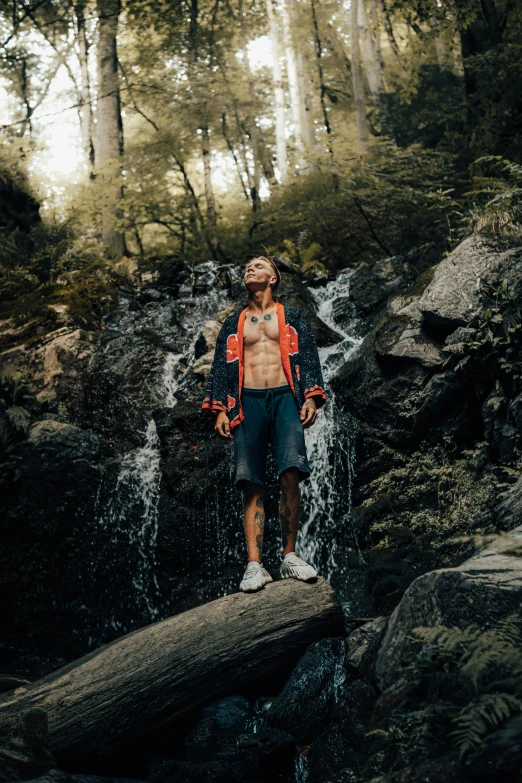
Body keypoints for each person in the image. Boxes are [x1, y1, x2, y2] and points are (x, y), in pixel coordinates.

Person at [201, 255, 327, 592]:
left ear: (273, 278)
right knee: (250, 482)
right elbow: (220, 368)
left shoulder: (294, 316)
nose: (250, 268)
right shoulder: (233, 324)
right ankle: (254, 565)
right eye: (248, 266)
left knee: (290, 474)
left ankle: (289, 557)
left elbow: (309, 358)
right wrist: (220, 409)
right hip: (247, 403)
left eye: (259, 265)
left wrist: (311, 396)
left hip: (286, 397)